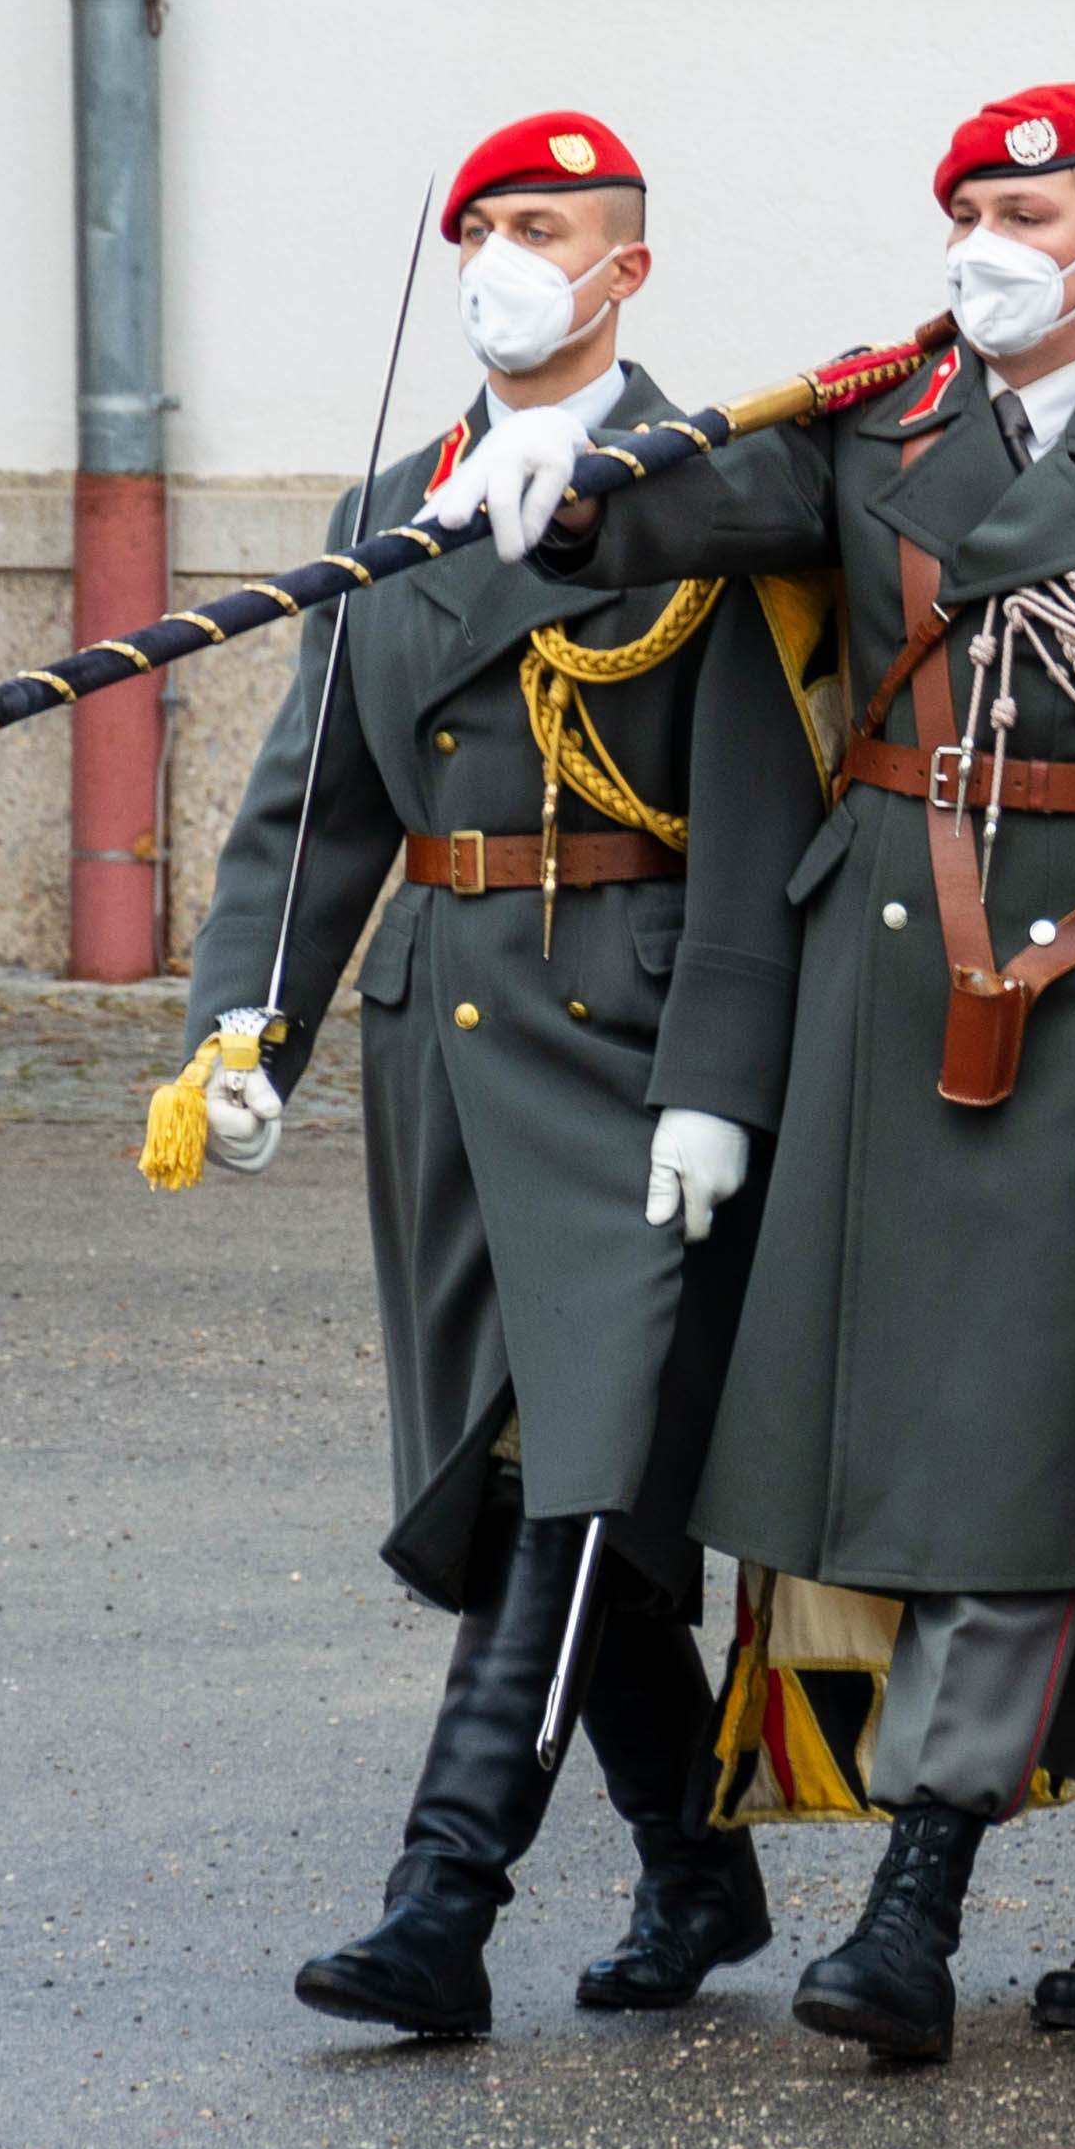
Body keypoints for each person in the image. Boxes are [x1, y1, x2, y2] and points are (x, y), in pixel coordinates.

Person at [473, 82, 1075, 2065]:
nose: (984, 245)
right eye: (965, 210)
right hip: (887, 990)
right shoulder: (887, 417)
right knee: (991, 1455)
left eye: (1026, 215)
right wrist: (574, 486)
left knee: (1015, 1437)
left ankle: (914, 1904)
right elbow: (706, 507)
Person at [180, 115, 822, 2037]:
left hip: (627, 1036)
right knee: (530, 1469)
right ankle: (697, 1868)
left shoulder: (705, 486)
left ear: (627, 267)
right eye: (480, 227)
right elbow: (316, 803)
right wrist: (247, 1023)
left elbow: (756, 802)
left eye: (544, 226)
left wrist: (719, 1073)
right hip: (450, 1042)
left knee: (578, 1466)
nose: (502, 260)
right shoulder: (394, 503)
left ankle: (440, 1902)